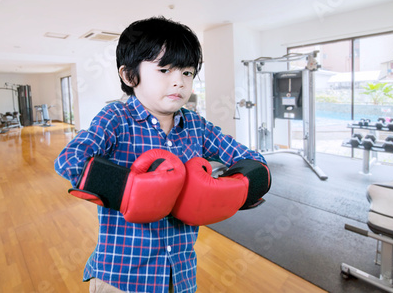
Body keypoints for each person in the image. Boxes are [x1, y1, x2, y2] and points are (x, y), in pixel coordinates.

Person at [54, 16, 271, 293]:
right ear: (130, 75)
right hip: (121, 277)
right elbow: (70, 160)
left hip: (180, 276)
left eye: (188, 73)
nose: (179, 82)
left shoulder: (196, 126)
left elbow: (255, 163)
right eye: (165, 69)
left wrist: (234, 190)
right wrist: (131, 190)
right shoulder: (116, 118)